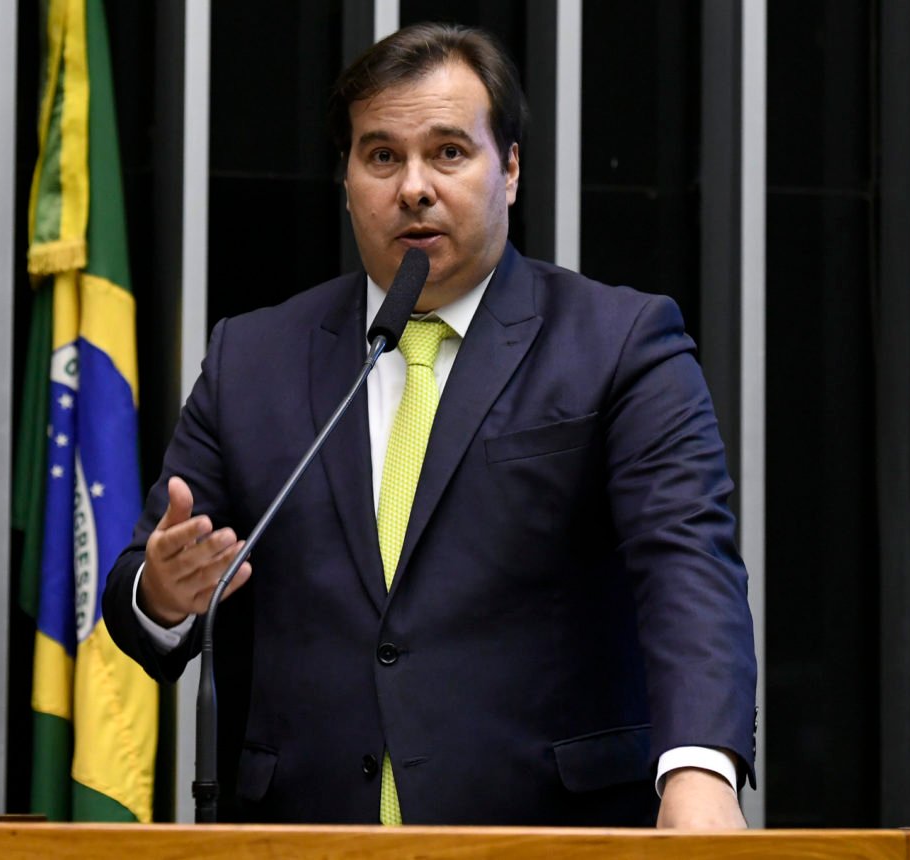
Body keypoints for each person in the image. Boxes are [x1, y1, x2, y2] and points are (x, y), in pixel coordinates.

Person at [103, 22, 756, 827]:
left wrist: (698, 769)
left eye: (449, 152)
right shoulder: (254, 358)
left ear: (509, 171)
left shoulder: (619, 343)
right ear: (346, 182)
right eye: (382, 157)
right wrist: (162, 595)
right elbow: (144, 583)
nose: (413, 186)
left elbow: (687, 560)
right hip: (306, 838)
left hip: (544, 835)